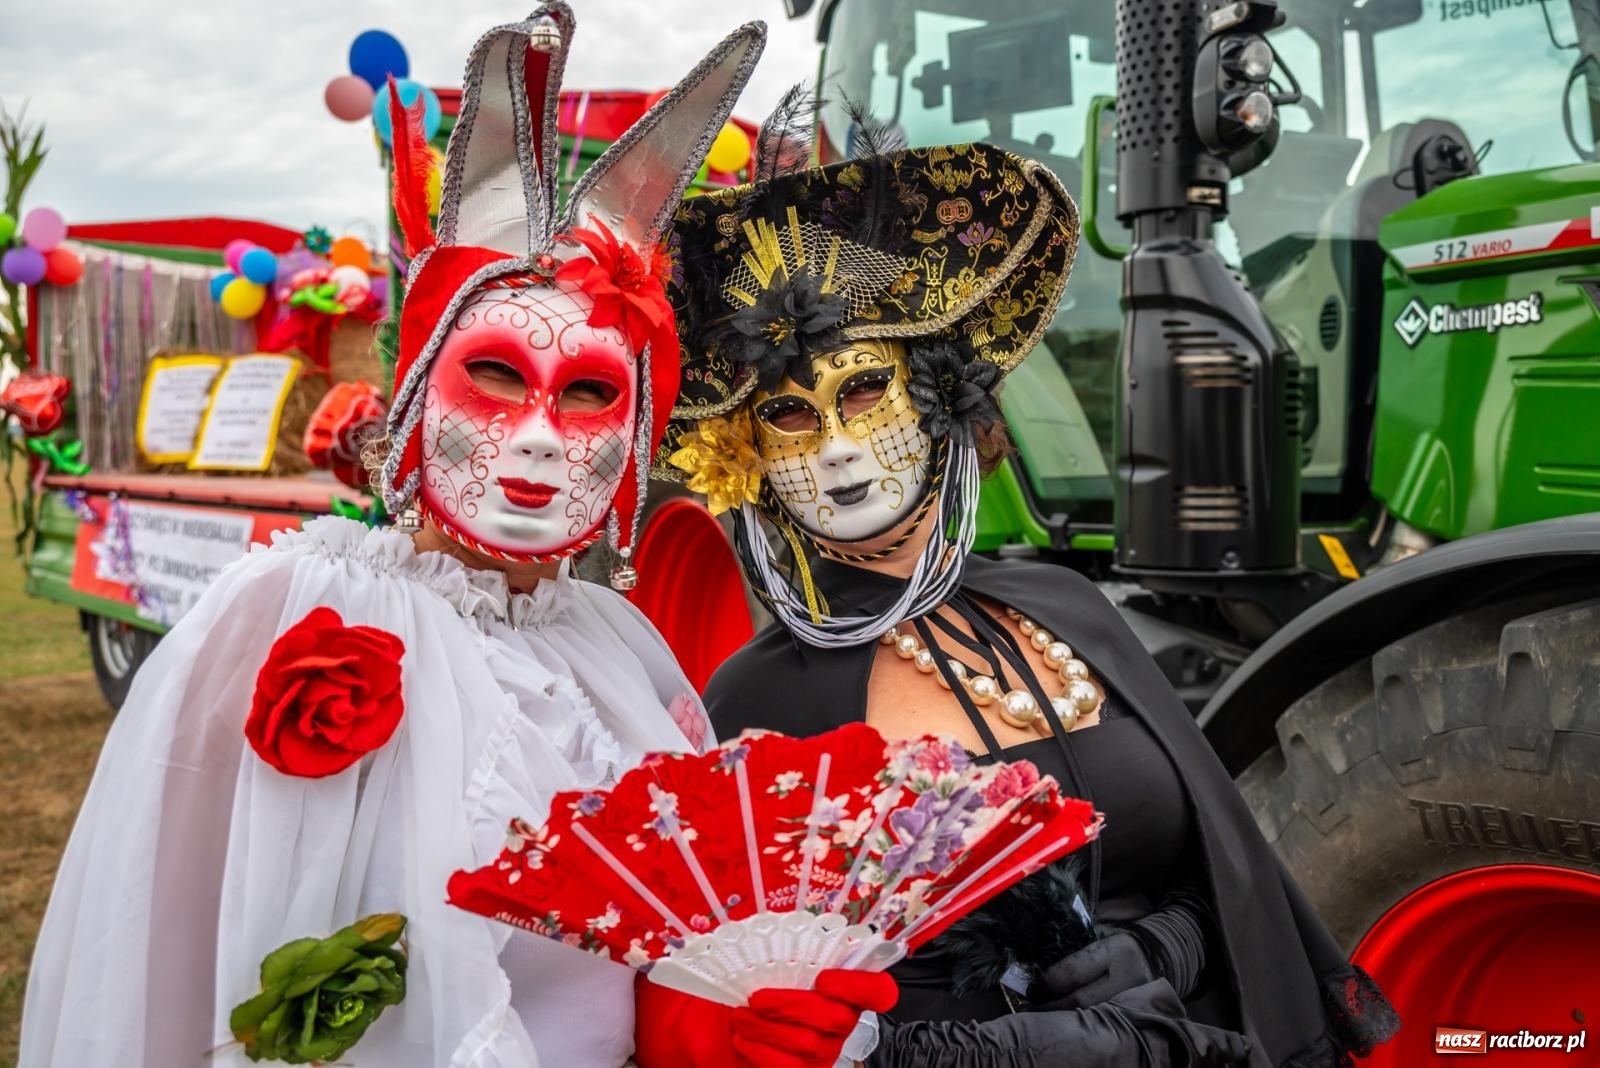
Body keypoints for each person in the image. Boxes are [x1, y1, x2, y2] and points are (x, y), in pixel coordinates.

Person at [19, 7, 765, 1065]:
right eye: (495, 375)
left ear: (638, 442)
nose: (541, 440)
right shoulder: (296, 614)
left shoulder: (617, 647)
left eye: (592, 394)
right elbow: (167, 943)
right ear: (414, 402)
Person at [636, 106, 1400, 1066]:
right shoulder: (763, 698)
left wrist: (1166, 944)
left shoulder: (1067, 607)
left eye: (865, 391)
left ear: (939, 393)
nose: (833, 450)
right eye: (790, 416)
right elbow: (776, 1003)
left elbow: (1224, 857)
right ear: (747, 453)